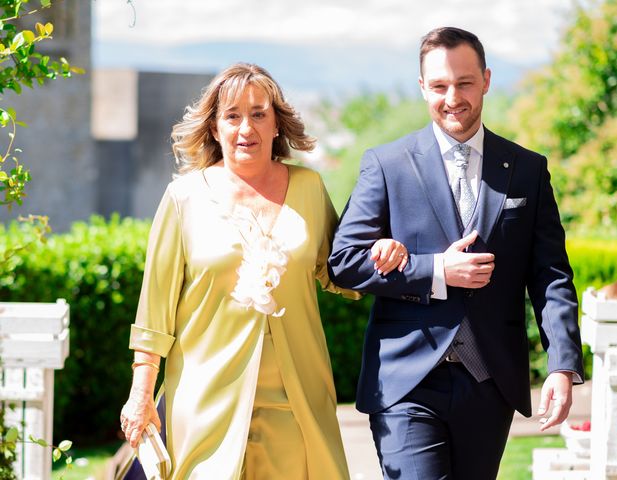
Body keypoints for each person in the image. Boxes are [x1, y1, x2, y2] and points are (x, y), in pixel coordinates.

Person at [328, 27, 584, 479]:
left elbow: (550, 275)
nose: (452, 98)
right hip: (406, 382)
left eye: (464, 83)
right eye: (440, 86)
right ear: (423, 86)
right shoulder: (386, 164)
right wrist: (435, 270)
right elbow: (345, 262)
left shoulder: (527, 170)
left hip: (490, 383)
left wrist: (562, 365)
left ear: (486, 80)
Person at [118, 62, 360, 479]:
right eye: (232, 116)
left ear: (276, 125)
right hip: (207, 398)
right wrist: (141, 392)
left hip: (296, 401)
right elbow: (154, 309)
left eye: (258, 114)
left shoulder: (310, 189)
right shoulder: (183, 198)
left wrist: (388, 250)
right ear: (214, 128)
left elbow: (342, 269)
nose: (245, 128)